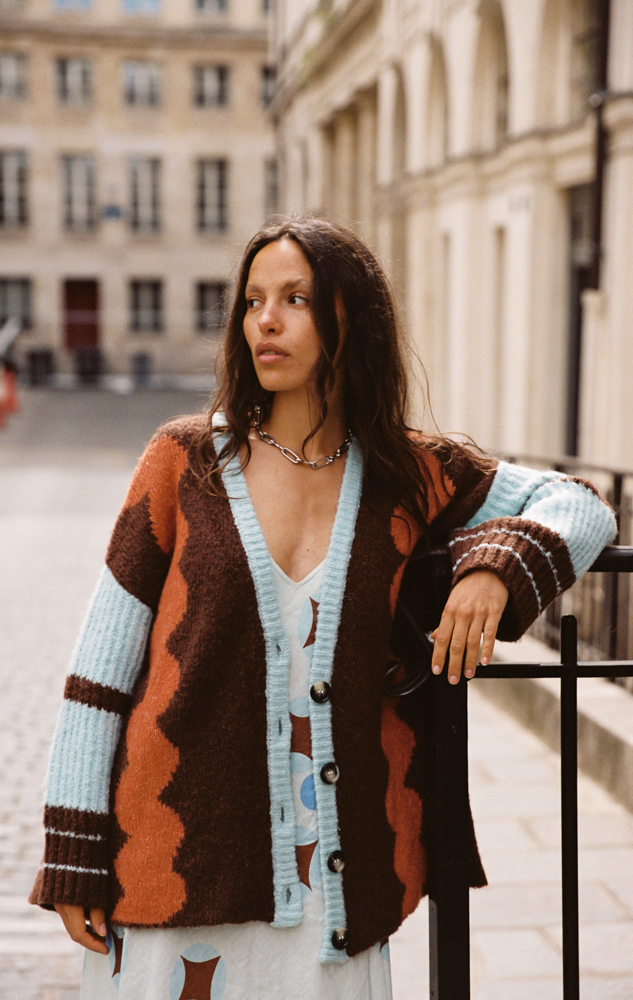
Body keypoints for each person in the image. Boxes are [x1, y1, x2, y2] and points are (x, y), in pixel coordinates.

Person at [30, 217, 616, 1000]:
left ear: (351, 318)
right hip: (176, 878)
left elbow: (579, 505)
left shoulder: (408, 474)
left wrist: (495, 571)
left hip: (333, 900)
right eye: (252, 301)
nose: (264, 320)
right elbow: (100, 675)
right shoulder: (184, 463)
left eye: (295, 299)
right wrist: (75, 849)